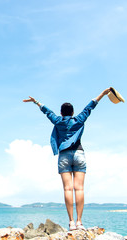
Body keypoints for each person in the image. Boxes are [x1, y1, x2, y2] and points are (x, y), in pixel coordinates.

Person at [23, 88, 111, 231]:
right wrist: (103, 93)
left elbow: (47, 112)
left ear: (62, 113)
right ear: (72, 113)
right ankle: (79, 222)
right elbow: (91, 106)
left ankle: (71, 222)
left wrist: (36, 102)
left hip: (64, 156)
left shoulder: (58, 121)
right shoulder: (79, 119)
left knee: (68, 189)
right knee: (80, 189)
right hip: (79, 154)